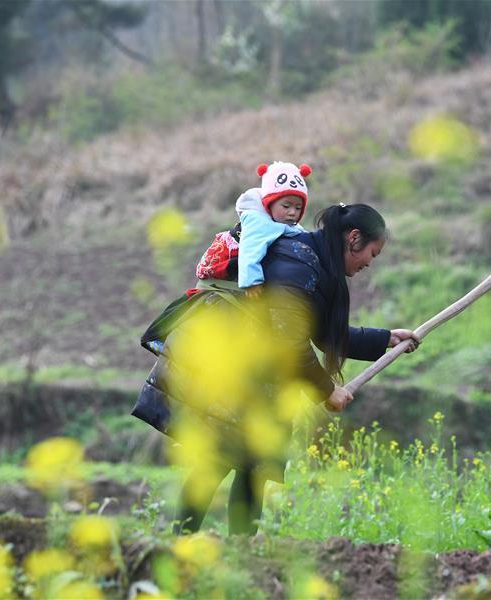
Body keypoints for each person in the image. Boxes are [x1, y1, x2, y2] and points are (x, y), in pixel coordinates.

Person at [132, 202, 420, 535]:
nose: (371, 262)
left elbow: (325, 336)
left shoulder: (312, 263)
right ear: (353, 238)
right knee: (222, 458)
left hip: (253, 369)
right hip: (231, 363)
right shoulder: (299, 264)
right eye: (373, 252)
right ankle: (182, 544)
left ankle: (240, 550)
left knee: (255, 462)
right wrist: (328, 391)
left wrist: (386, 339)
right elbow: (292, 344)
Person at [194, 161, 312, 299]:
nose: (292, 212)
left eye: (298, 208)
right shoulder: (257, 220)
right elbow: (250, 250)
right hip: (229, 259)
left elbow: (299, 233)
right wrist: (251, 282)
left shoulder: (283, 219)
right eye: (286, 206)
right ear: (270, 203)